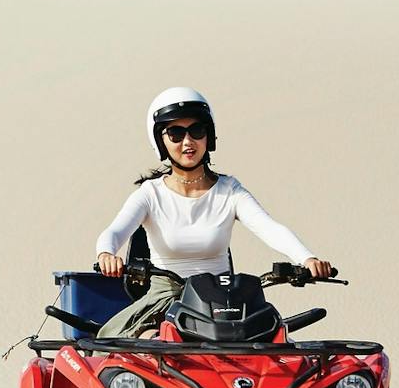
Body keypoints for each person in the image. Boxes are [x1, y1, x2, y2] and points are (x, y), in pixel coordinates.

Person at [93, 88, 334, 337]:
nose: (188, 142)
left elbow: (270, 228)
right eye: (176, 133)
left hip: (224, 303)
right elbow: (114, 231)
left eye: (197, 130)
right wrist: (106, 254)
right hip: (164, 301)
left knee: (277, 344)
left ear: (209, 135)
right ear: (160, 141)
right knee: (145, 344)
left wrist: (307, 259)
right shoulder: (151, 194)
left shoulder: (230, 191)